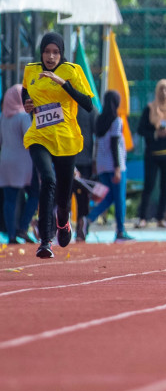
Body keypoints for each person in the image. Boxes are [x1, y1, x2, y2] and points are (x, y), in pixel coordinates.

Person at [21, 31, 97, 258]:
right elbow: (25, 90)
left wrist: (62, 83)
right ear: (41, 52)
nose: (51, 57)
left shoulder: (72, 71)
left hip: (66, 139)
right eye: (47, 52)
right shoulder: (31, 70)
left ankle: (63, 221)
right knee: (47, 179)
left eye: (55, 52)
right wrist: (27, 103)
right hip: (39, 136)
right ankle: (45, 240)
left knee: (63, 197)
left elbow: (88, 104)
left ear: (61, 53)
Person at [86, 90, 133, 241]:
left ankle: (90, 217)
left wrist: (95, 162)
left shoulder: (100, 120)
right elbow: (114, 145)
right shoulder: (116, 120)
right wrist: (118, 168)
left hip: (102, 164)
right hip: (114, 165)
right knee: (119, 198)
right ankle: (120, 230)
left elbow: (98, 144)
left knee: (108, 197)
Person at [134, 79, 166, 228]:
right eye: (161, 89)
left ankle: (161, 218)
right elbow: (141, 129)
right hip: (152, 153)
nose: (164, 92)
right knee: (149, 186)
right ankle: (143, 218)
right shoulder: (150, 109)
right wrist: (155, 134)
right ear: (157, 91)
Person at [2, 84, 38, 245]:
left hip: (5, 159)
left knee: (9, 198)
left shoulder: (2, 116)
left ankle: (11, 235)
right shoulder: (23, 117)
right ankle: (23, 227)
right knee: (35, 194)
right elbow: (28, 139)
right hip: (22, 161)